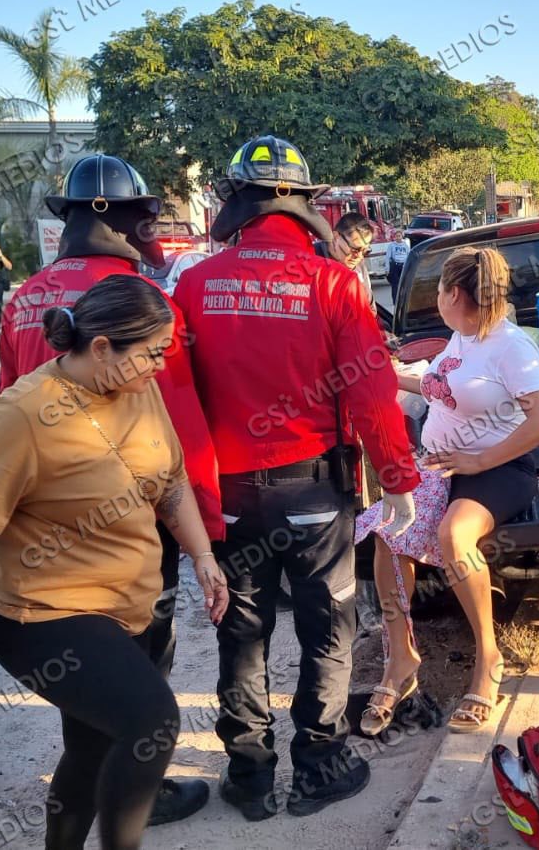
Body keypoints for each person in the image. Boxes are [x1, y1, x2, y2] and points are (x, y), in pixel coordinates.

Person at [0, 276, 230, 849]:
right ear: (100, 348)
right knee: (152, 722)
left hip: (127, 608)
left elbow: (169, 482)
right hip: (45, 617)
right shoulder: (20, 416)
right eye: (151, 353)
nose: (160, 366)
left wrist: (203, 555)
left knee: (92, 747)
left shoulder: (136, 388)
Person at [172, 134, 419, 821]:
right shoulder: (333, 281)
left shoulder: (194, 285)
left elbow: (177, 403)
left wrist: (196, 504)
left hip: (228, 498)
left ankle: (249, 777)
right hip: (314, 493)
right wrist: (397, 476)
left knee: (241, 633)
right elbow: (371, 392)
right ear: (305, 202)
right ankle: (318, 764)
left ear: (235, 203)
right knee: (327, 629)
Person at [0, 154, 224, 711]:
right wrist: (209, 530)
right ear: (129, 222)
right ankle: (142, 782)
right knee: (140, 662)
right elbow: (179, 432)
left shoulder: (24, 299)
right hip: (131, 524)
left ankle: (97, 776)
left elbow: (4, 406)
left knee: (81, 663)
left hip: (46, 526)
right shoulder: (147, 307)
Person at [359, 246, 539, 737]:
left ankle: (488, 659)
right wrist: (386, 376)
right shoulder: (460, 337)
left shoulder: (512, 346)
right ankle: (400, 660)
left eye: (439, 291)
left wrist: (480, 459)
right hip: (442, 466)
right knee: (389, 530)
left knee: (454, 536)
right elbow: (440, 390)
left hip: (499, 469)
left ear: (451, 293)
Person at [319, 212, 376, 311]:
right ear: (336, 236)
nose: (359, 257)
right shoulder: (312, 260)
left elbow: (370, 308)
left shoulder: (359, 266)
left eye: (365, 251)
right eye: (355, 249)